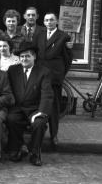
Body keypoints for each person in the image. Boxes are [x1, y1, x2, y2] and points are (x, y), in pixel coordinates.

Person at [7, 41, 54, 166]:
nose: (24, 59)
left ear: (34, 57)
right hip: (17, 108)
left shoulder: (43, 72)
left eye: (27, 56)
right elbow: (8, 90)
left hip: (35, 108)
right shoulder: (13, 70)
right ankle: (18, 148)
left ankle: (34, 152)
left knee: (39, 123)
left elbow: (47, 94)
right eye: (22, 56)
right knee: (11, 119)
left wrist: (42, 111)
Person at [33, 12, 73, 148]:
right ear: (43, 22)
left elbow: (68, 59)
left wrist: (60, 74)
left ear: (56, 21)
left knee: (54, 107)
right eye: (46, 20)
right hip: (40, 76)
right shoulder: (39, 35)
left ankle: (54, 134)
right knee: (40, 104)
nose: (49, 22)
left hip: (54, 77)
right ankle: (39, 131)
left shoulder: (63, 36)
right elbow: (35, 54)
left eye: (51, 20)